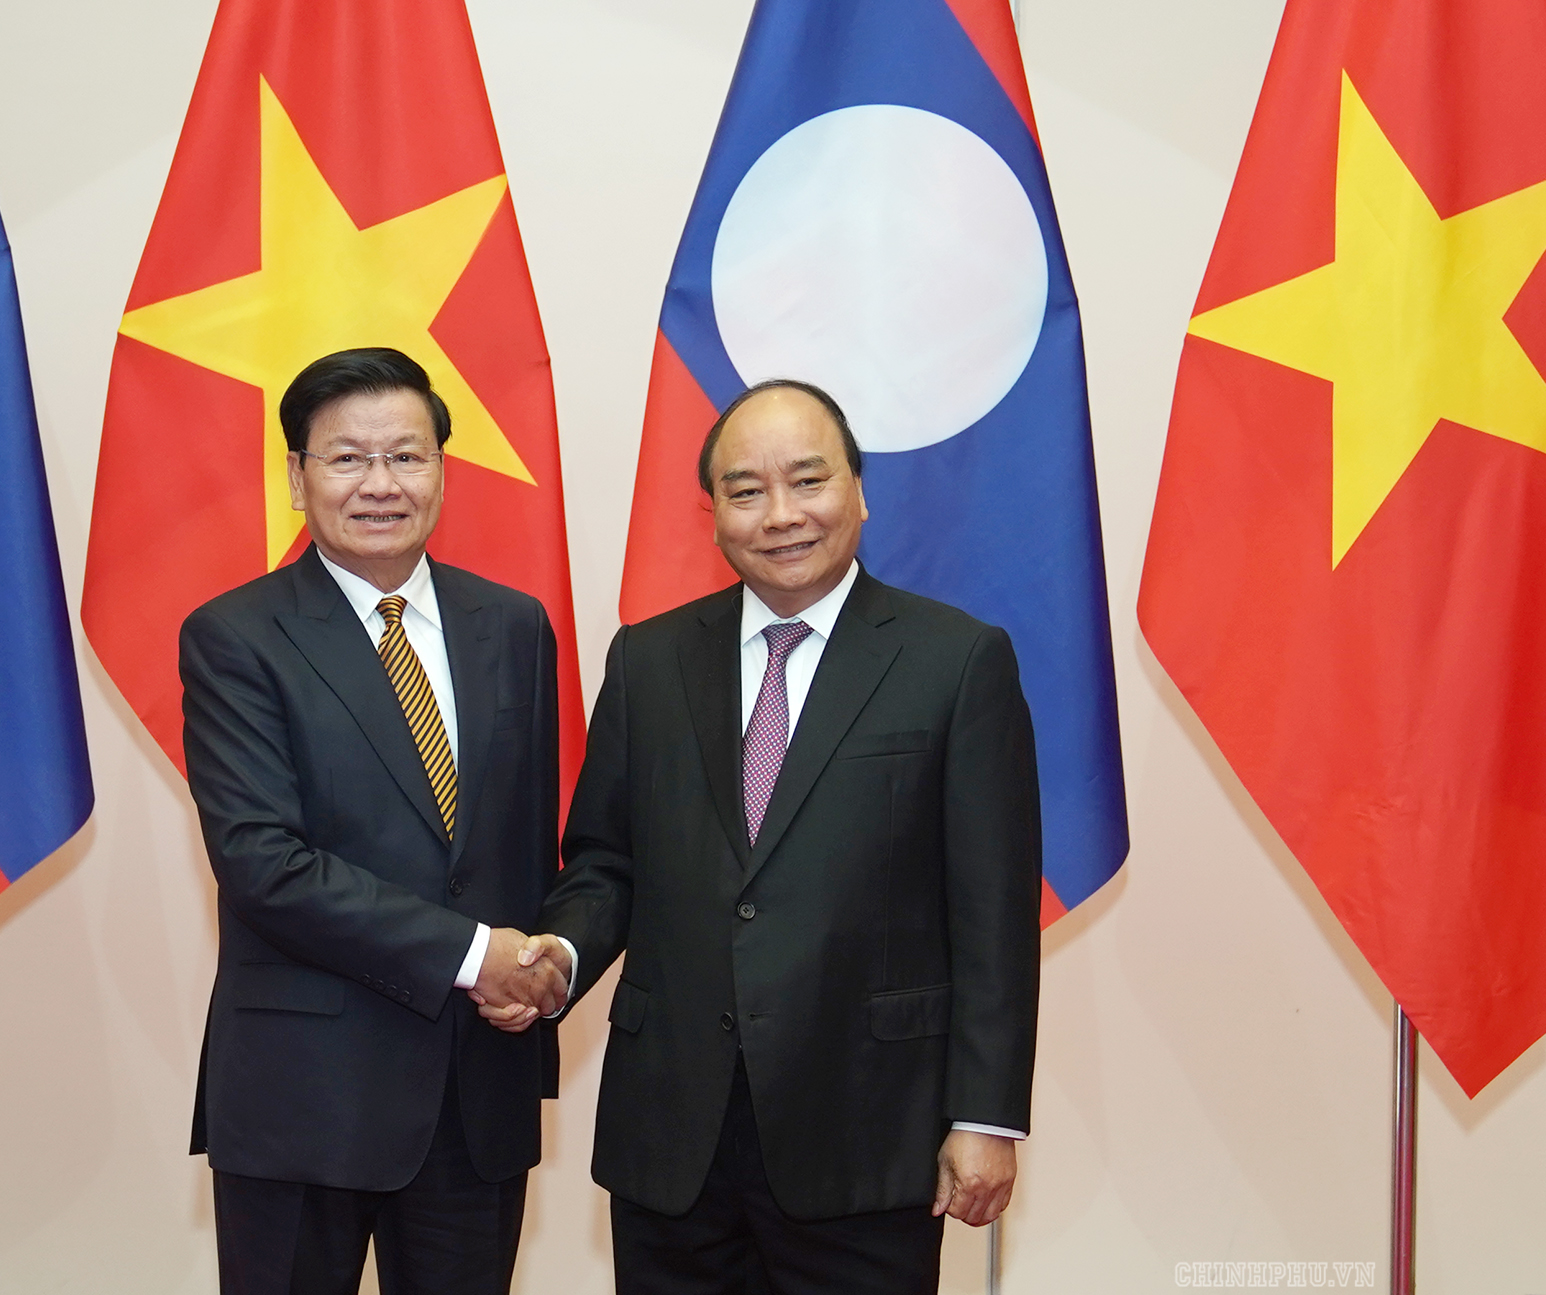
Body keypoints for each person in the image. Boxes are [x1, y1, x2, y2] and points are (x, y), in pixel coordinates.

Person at [494, 380, 1042, 1294]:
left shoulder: (956, 660)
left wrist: (985, 1116)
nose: (781, 514)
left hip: (867, 1132)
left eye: (808, 480)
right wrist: (561, 950)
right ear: (713, 515)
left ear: (858, 491)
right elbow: (606, 861)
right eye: (746, 490)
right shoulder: (649, 659)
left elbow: (993, 911)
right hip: (674, 1135)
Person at [180, 347, 568, 1295]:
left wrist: (543, 960)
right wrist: (477, 955)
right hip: (303, 1090)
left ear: (442, 470)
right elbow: (263, 862)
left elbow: (525, 848)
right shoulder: (235, 636)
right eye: (348, 458)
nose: (381, 484)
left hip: (477, 1087)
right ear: (297, 477)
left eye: (406, 455)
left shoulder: (515, 625)